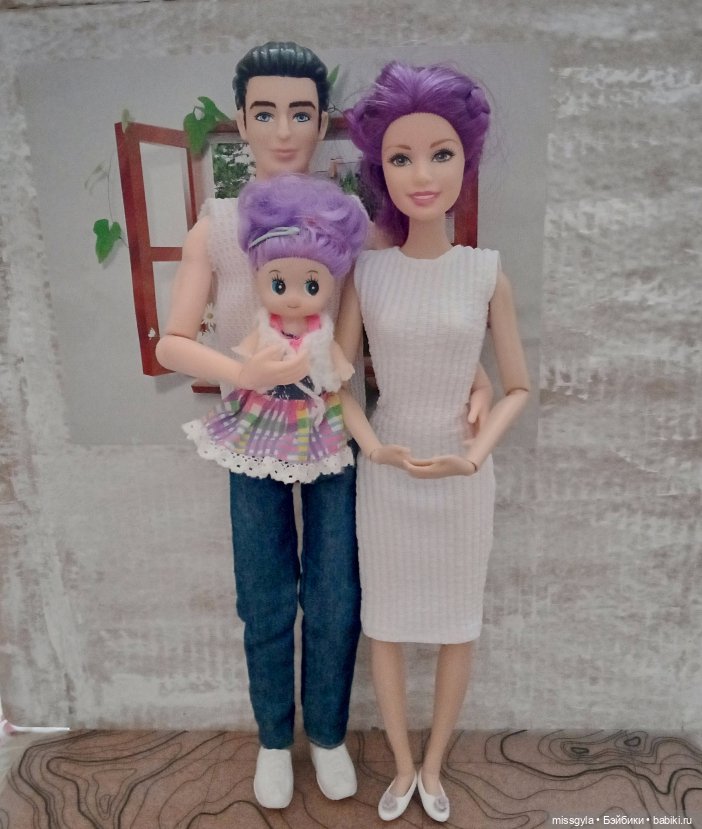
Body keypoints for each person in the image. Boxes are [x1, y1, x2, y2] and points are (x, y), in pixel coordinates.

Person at [156, 42, 362, 810]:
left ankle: (329, 733)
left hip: (330, 424)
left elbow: (353, 331)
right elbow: (172, 341)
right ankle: (274, 737)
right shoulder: (216, 225)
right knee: (264, 589)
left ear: (321, 122)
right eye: (265, 113)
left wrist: (334, 369)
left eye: (300, 113)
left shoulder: (345, 218)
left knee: (336, 590)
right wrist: (244, 371)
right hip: (252, 429)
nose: (283, 130)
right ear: (240, 122)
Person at [337, 61, 531, 822]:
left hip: (460, 477)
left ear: (466, 160)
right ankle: (400, 763)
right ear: (381, 169)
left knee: (457, 626)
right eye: (402, 157)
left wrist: (475, 455)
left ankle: (436, 763)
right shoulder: (367, 272)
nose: (422, 175)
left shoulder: (485, 273)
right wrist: (372, 446)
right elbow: (338, 383)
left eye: (440, 154)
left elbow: (518, 386)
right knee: (384, 625)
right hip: (387, 472)